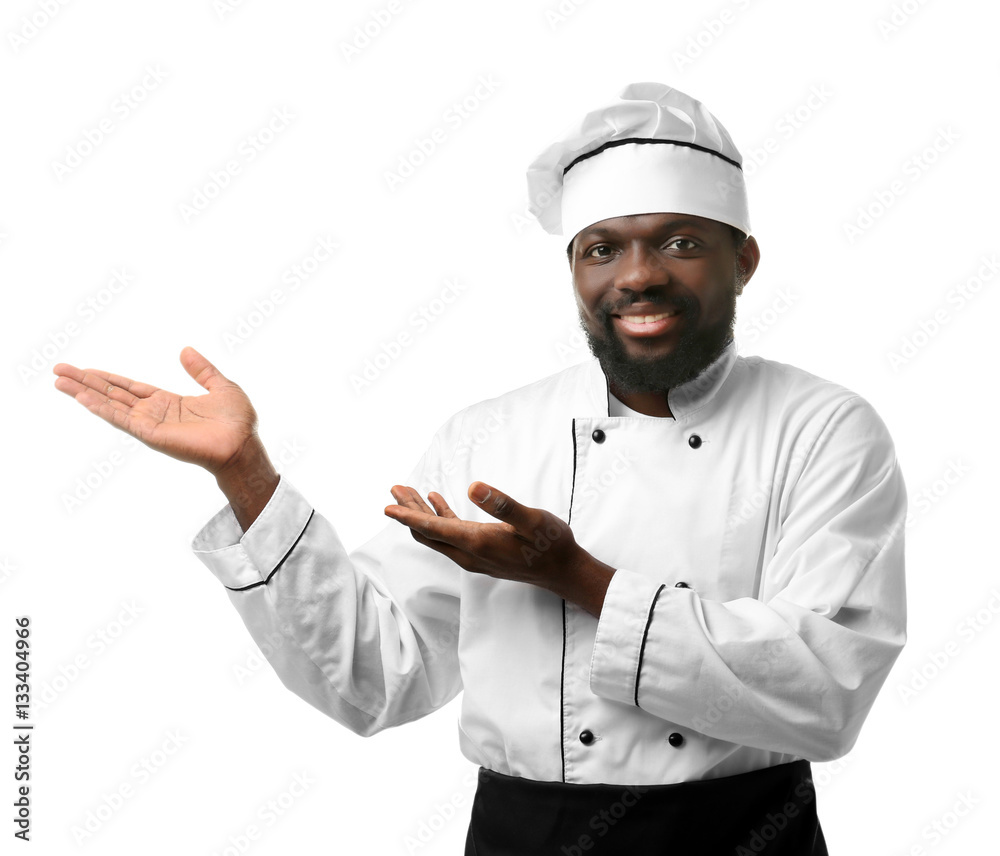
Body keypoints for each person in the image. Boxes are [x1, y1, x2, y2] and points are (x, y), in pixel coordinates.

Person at [53, 82, 906, 855]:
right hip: (520, 839)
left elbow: (826, 692)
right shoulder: (491, 434)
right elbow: (375, 680)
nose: (637, 276)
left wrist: (576, 577)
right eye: (600, 249)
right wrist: (245, 473)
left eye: (678, 242)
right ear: (574, 272)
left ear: (744, 261)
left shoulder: (823, 430)